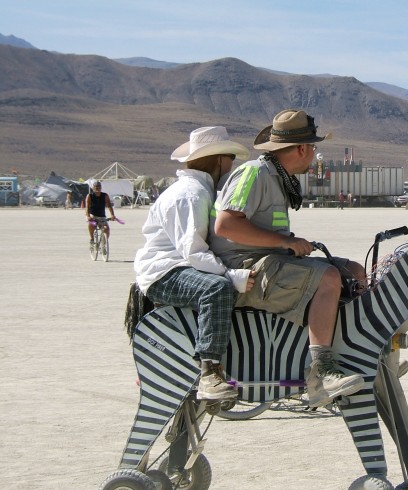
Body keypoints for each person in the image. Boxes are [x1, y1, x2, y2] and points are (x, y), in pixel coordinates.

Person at [210, 109, 366, 409]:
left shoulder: (277, 178)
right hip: (244, 270)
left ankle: (360, 355)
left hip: (269, 261)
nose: (314, 153)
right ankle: (322, 373)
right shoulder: (253, 174)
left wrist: (288, 245)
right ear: (303, 148)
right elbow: (226, 225)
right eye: (314, 147)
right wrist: (286, 242)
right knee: (329, 278)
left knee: (353, 271)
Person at [133, 126, 255, 403]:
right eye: (230, 159)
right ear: (219, 160)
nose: (232, 165)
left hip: (180, 266)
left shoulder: (202, 190)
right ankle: (209, 372)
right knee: (216, 290)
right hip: (165, 272)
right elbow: (194, 252)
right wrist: (231, 275)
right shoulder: (190, 194)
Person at [85, 181, 116, 245]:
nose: (97, 188)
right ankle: (92, 238)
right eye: (96, 187)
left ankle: (104, 244)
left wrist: (112, 215)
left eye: (99, 187)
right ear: (93, 188)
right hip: (93, 215)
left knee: (106, 229)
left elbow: (109, 206)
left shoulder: (105, 195)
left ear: (101, 188)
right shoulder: (90, 196)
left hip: (102, 216)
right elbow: (87, 207)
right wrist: (88, 216)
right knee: (91, 225)